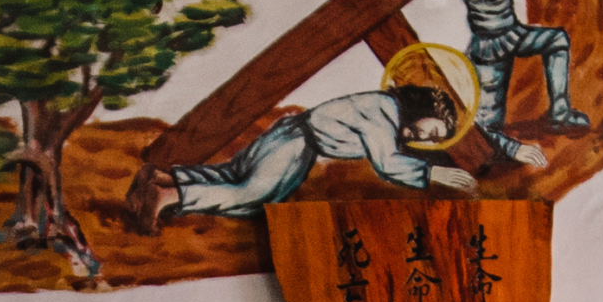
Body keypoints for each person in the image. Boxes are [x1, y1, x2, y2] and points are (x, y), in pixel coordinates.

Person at [159, 82, 470, 217]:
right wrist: (433, 172)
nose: (425, 139)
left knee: (232, 172)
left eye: (432, 140)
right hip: (296, 143)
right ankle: (171, 196)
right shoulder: (383, 112)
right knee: (249, 196)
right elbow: (387, 163)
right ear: (423, 109)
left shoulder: (386, 110)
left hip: (292, 135)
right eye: (431, 131)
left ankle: (163, 179)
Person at [422, 0, 585, 144]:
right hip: (487, 49)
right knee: (489, 123)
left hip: (514, 34)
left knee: (557, 40)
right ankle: (491, 146)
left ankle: (560, 112)